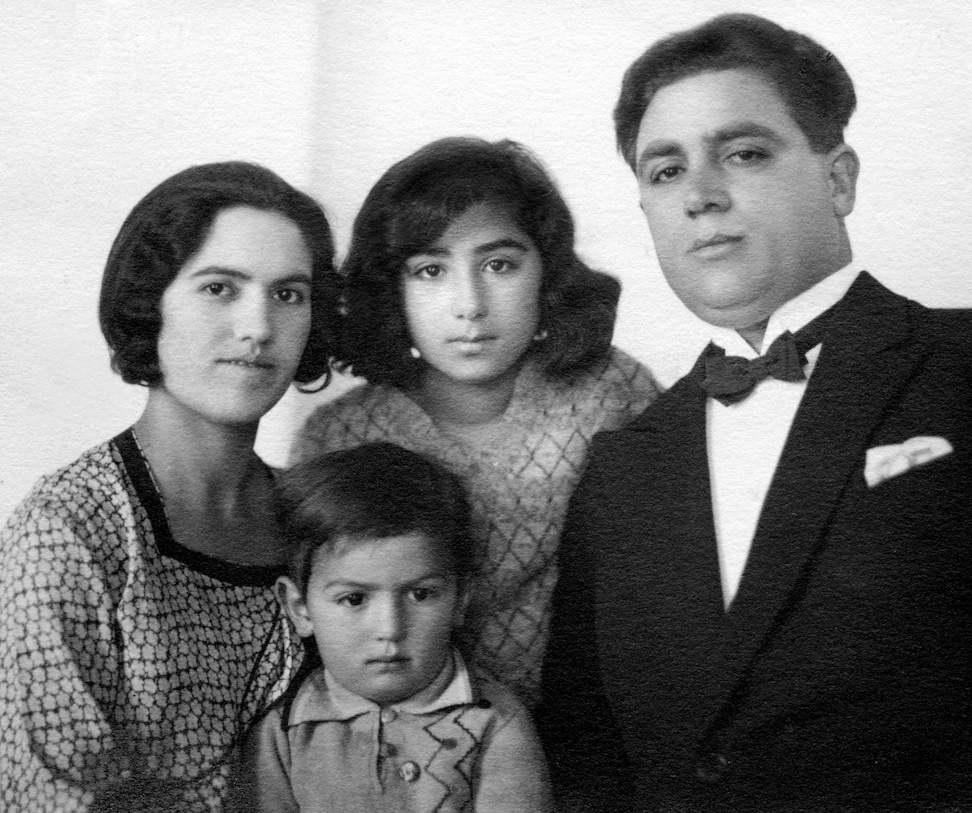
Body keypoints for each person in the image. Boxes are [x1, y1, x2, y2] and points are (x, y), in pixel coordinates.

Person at [538, 13, 972, 813]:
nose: (700, 195)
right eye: (665, 172)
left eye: (743, 153)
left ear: (838, 179)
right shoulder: (624, 464)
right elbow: (587, 747)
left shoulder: (960, 363)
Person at [0, 161, 337, 811]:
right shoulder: (69, 532)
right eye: (219, 288)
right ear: (150, 301)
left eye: (288, 294)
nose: (258, 328)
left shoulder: (316, 520)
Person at [292, 137, 659, 709]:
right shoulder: (340, 437)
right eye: (431, 270)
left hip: (601, 729)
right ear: (392, 289)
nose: (470, 304)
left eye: (499, 264)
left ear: (547, 272)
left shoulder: (613, 394)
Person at [229, 442, 552, 812]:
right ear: (300, 608)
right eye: (354, 599)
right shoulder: (281, 733)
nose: (390, 628)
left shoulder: (497, 722)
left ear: (461, 599)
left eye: (420, 594)